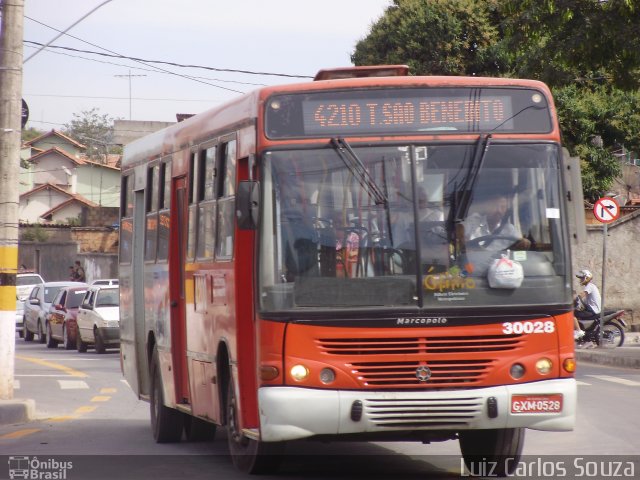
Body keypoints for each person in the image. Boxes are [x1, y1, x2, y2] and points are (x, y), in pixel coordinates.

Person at [463, 190, 531, 251]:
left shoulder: (510, 230)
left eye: (502, 207)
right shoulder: (473, 222)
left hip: (501, 264)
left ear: (505, 210)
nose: (498, 211)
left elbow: (522, 244)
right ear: (487, 207)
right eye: (494, 206)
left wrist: (524, 242)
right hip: (474, 263)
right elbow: (459, 230)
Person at [573, 269, 601, 340]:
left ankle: (579, 331)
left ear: (586, 277)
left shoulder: (590, 286)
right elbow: (584, 300)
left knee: (572, 314)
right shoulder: (590, 286)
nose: (581, 280)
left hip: (593, 310)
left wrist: (573, 299)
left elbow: (582, 295)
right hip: (592, 309)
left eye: (582, 278)